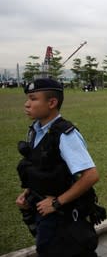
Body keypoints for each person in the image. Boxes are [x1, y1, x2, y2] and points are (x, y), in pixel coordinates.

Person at [16, 78, 101, 256]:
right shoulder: (36, 130)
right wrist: (29, 192)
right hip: (42, 210)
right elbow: (42, 167)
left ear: (52, 102)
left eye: (33, 99)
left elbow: (91, 175)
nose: (27, 104)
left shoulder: (65, 134)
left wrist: (56, 203)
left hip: (62, 217)